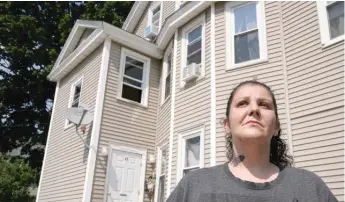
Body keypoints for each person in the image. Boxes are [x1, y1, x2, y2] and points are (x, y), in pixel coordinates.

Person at [167, 80, 338, 202]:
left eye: (264, 105)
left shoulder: (310, 186)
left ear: (276, 126)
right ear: (227, 125)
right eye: (242, 103)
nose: (254, 109)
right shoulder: (193, 185)